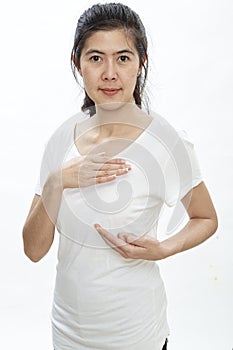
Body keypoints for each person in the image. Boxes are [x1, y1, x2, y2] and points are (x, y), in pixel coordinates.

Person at [22, 3, 218, 350]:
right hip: (68, 335)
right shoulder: (60, 141)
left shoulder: (168, 142)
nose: (110, 73)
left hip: (138, 335)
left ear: (141, 63)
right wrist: (57, 181)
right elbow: (34, 250)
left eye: (123, 58)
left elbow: (205, 217)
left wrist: (164, 248)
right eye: (96, 58)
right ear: (77, 63)